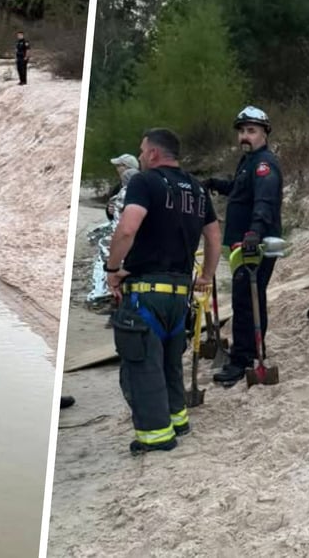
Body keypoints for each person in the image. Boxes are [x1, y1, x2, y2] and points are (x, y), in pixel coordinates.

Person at [104, 128, 222, 455]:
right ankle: (178, 420)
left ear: (154, 153)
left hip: (146, 293)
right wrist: (208, 275)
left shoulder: (144, 182)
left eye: (142, 151)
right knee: (171, 362)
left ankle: (156, 437)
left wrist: (113, 269)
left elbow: (128, 228)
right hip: (179, 295)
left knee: (142, 366)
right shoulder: (198, 190)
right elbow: (213, 236)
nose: (140, 156)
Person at [203, 106, 284, 388]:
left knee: (245, 299)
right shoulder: (248, 162)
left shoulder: (264, 164)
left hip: (254, 244)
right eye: (241, 131)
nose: (244, 136)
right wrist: (216, 184)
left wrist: (254, 232)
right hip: (244, 243)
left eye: (251, 131)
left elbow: (265, 201)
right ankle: (252, 351)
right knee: (250, 298)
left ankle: (241, 361)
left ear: (264, 133)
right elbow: (241, 191)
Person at [87, 154, 140, 307]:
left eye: (119, 166)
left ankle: (103, 291)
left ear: (127, 168)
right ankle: (103, 290)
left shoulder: (137, 186)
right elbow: (113, 214)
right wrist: (110, 210)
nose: (117, 169)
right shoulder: (120, 188)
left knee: (106, 254)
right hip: (119, 229)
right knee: (97, 239)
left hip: (127, 232)